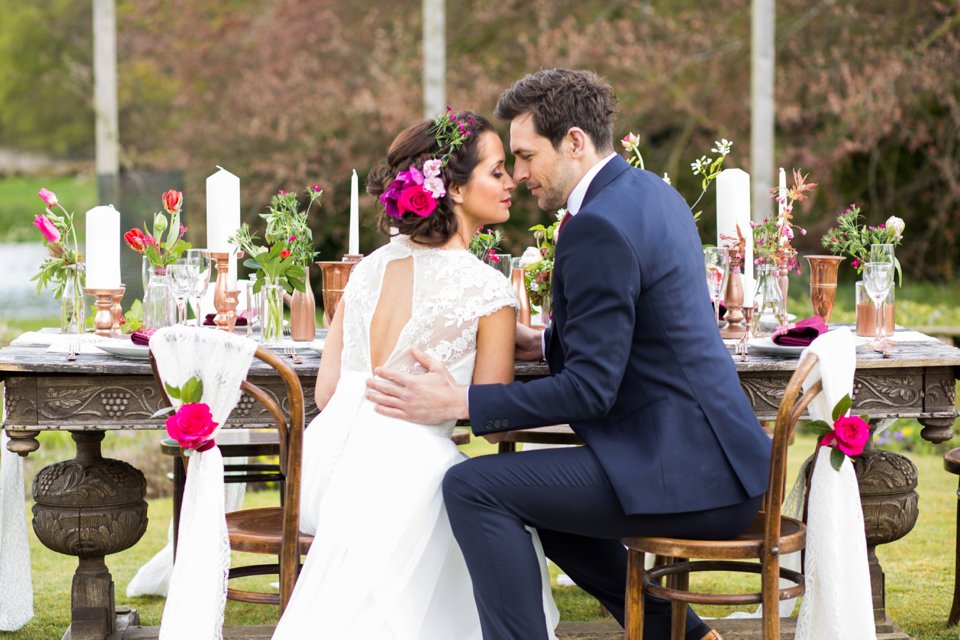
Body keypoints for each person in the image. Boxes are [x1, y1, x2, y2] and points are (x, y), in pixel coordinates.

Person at [366, 69, 772, 640]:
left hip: (688, 475)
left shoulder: (597, 226)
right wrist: (547, 340)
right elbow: (646, 330)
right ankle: (684, 635)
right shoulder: (654, 193)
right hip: (715, 460)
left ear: (575, 142)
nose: (521, 173)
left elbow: (590, 391)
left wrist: (459, 399)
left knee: (475, 487)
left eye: (527, 156)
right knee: (535, 492)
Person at [272, 110, 558, 639]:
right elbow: (493, 422)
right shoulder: (487, 290)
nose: (511, 182)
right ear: (450, 188)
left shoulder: (366, 268)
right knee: (484, 511)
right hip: (401, 471)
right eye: (496, 171)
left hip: (327, 466)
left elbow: (330, 390)